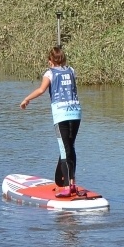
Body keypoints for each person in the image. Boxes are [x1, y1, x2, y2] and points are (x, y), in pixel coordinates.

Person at [19, 45, 88, 198]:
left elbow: (41, 90)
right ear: (63, 58)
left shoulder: (49, 73)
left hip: (61, 115)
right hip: (76, 113)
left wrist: (26, 99)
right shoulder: (72, 70)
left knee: (65, 151)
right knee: (71, 147)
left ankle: (67, 188)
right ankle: (72, 183)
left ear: (50, 60)